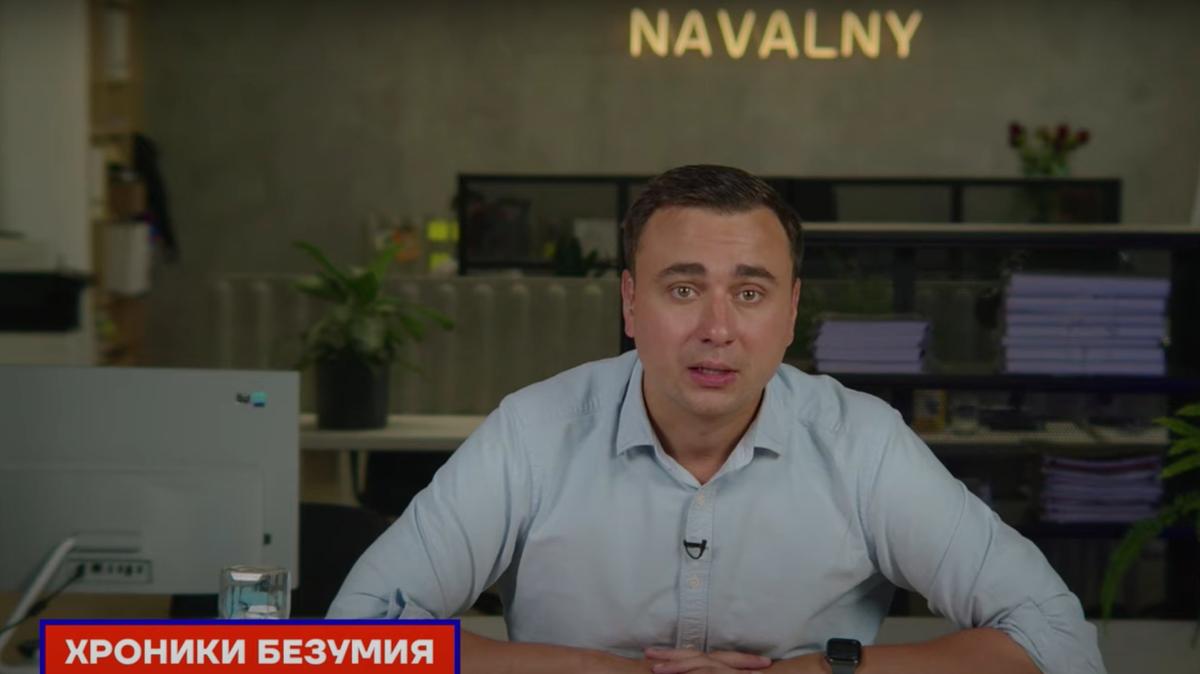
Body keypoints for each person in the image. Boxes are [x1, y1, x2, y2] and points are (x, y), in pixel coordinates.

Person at [329, 165, 1104, 674]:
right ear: (630, 304)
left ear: (791, 312)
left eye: (751, 293)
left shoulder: (861, 443)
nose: (717, 329)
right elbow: (352, 641)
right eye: (682, 289)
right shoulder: (534, 432)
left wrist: (812, 672)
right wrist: (604, 671)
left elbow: (1059, 640)